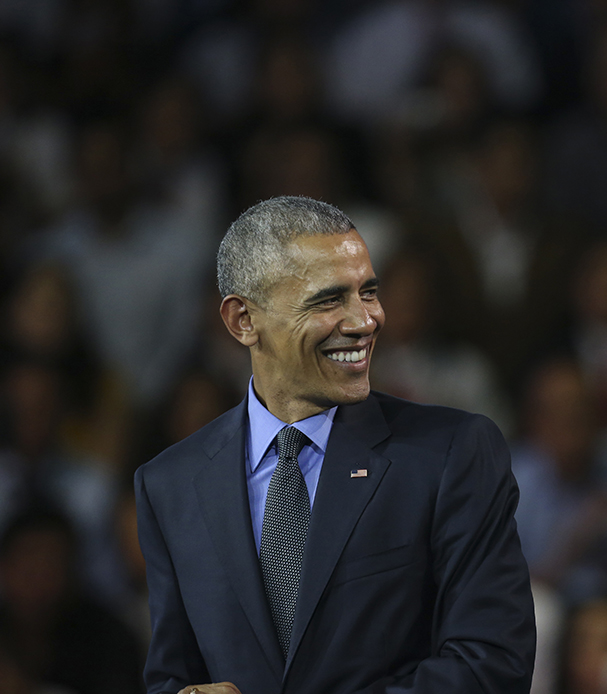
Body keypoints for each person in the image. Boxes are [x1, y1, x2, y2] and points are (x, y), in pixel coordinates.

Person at [133, 196, 535, 694]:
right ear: (242, 321)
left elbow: (491, 666)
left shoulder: (452, 454)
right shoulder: (170, 484)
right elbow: (174, 677)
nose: (365, 321)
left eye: (368, 292)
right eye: (329, 299)